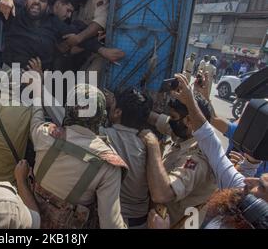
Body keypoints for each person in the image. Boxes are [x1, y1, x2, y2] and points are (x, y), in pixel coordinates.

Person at [167, 74, 268, 228]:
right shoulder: (242, 190)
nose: (248, 180)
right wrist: (194, 100)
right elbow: (210, 140)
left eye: (261, 186)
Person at [31, 84, 128, 229]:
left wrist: (37, 93)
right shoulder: (108, 165)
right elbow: (110, 225)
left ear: (68, 109)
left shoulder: (44, 135)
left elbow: (36, 118)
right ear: (102, 117)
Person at [144, 93, 217, 228]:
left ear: (189, 121)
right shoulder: (188, 133)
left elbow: (161, 194)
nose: (170, 121)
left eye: (173, 117)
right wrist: (135, 108)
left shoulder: (196, 160)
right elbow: (157, 120)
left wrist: (153, 146)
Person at [100, 88, 154, 228]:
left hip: (114, 220)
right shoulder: (149, 144)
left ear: (118, 112)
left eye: (113, 106)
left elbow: (70, 123)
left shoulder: (104, 136)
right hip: (141, 221)